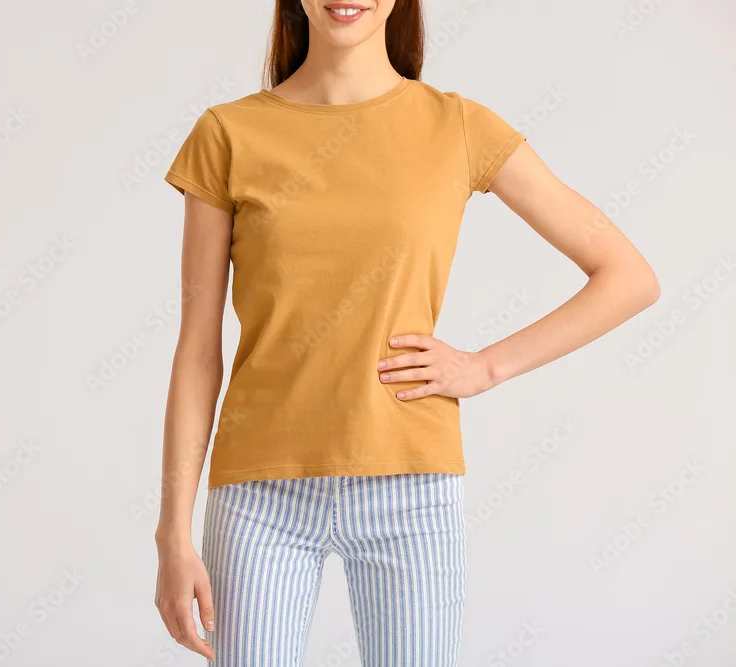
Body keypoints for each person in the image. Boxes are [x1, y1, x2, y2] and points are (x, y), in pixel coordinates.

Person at [153, 1, 659, 665]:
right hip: (258, 497)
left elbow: (627, 276)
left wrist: (486, 366)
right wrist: (172, 534)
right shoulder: (228, 133)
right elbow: (197, 350)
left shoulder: (457, 126)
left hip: (411, 493)